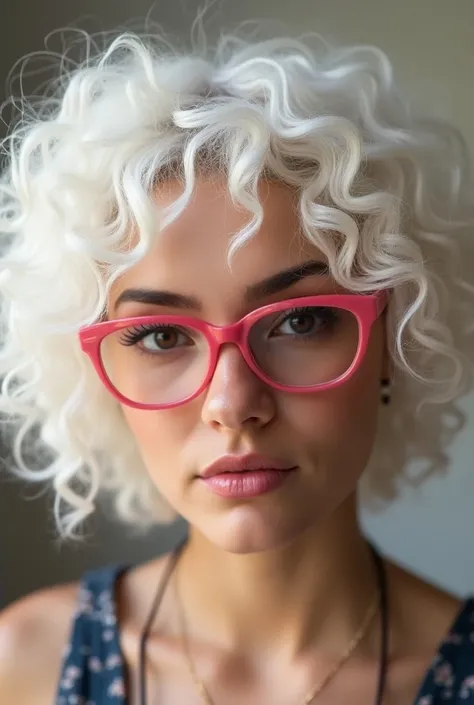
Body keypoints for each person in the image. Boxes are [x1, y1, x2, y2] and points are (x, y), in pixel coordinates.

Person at [0, 21, 473, 705]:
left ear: (395, 338)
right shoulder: (21, 669)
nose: (232, 402)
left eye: (299, 321)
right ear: (95, 368)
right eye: (161, 336)